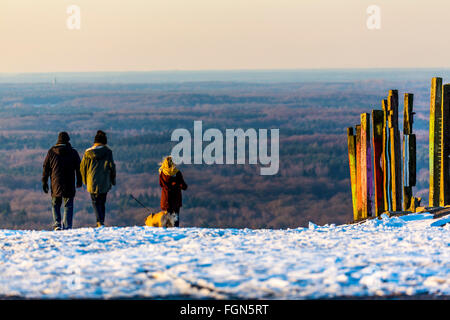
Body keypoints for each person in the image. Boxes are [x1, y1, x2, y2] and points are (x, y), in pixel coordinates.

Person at [42, 132, 82, 230]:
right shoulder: (73, 152)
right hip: (69, 183)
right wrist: (79, 180)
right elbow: (78, 168)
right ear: (68, 140)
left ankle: (57, 224)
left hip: (56, 183)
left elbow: (46, 168)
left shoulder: (51, 152)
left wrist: (45, 182)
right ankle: (67, 226)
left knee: (55, 204)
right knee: (68, 205)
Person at [80, 130, 116, 227]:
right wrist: (113, 180)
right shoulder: (108, 152)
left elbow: (83, 168)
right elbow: (112, 166)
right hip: (105, 181)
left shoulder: (87, 153)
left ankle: (99, 221)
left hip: (92, 180)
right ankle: (101, 221)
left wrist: (84, 180)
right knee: (102, 202)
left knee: (95, 201)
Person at [159, 156, 187, 227]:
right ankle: (175, 232)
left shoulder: (162, 173)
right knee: (175, 217)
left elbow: (162, 185)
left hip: (166, 198)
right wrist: (177, 185)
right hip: (176, 198)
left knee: (167, 218)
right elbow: (184, 186)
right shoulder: (177, 173)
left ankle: (167, 233)